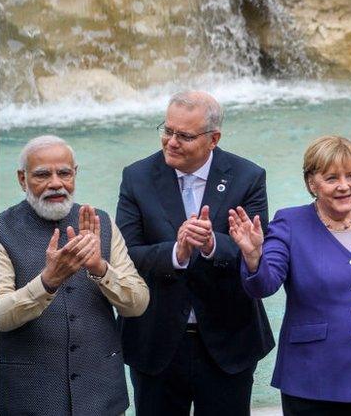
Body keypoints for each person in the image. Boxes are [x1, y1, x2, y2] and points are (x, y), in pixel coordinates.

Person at [228, 135, 351, 416]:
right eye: (332, 178)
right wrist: (252, 256)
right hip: (312, 377)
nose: (344, 186)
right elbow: (265, 285)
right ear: (312, 183)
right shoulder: (289, 222)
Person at [116, 90, 274, 415]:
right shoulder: (136, 177)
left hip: (228, 343)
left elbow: (257, 247)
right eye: (167, 130)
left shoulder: (248, 177)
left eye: (184, 136)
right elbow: (128, 255)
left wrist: (211, 244)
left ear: (213, 138)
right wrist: (178, 250)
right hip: (156, 343)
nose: (171, 142)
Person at [0, 135, 149, 415]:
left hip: (101, 396)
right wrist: (47, 282)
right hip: (29, 399)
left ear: (75, 174)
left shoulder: (101, 222)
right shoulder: (1, 231)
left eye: (64, 173)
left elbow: (138, 303)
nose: (56, 183)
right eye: (43, 174)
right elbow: (0, 316)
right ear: (22, 179)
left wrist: (100, 269)